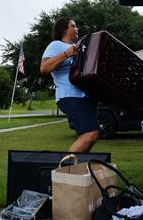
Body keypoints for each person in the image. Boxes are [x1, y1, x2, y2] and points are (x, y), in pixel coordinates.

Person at [40, 18, 99, 152]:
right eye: (73, 26)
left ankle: (79, 168)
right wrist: (67, 54)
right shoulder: (56, 45)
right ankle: (65, 168)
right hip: (70, 96)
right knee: (90, 134)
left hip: (86, 96)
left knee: (87, 136)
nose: (77, 28)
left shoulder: (79, 46)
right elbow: (44, 68)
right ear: (64, 30)